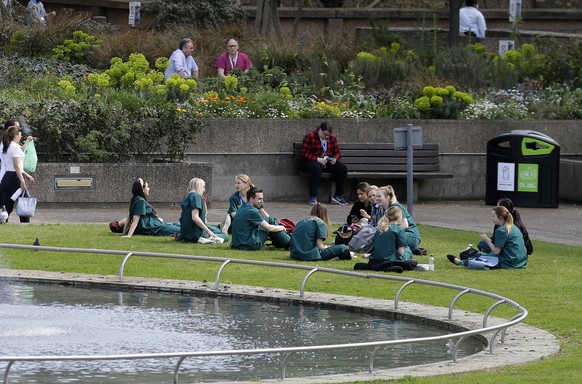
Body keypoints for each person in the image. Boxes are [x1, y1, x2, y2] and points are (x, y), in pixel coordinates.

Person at [447, 206, 528, 270]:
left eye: (493, 216)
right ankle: (466, 258)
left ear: (500, 217)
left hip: (510, 262)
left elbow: (496, 251)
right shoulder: (513, 227)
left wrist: (487, 239)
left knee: (481, 256)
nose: (492, 218)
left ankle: (461, 262)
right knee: (483, 245)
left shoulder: (501, 230)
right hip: (520, 261)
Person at [353, 206, 417, 273]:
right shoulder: (399, 230)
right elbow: (401, 252)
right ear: (399, 217)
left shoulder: (379, 229)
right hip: (390, 259)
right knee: (407, 251)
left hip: (376, 260)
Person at [299, 121, 348, 206]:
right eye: (325, 134)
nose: (326, 137)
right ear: (320, 130)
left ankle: (338, 195)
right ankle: (313, 196)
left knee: (342, 168)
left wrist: (334, 159)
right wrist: (317, 159)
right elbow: (304, 154)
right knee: (316, 168)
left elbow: (337, 153)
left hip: (326, 161)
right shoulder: (310, 137)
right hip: (311, 161)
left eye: (328, 135)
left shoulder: (332, 138)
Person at [177, 177, 228, 243]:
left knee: (217, 230)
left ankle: (208, 237)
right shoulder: (195, 196)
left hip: (186, 233)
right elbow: (195, 217)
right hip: (195, 233)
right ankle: (205, 239)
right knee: (225, 236)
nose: (204, 189)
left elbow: (204, 215)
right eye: (203, 187)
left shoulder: (186, 196)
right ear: (198, 186)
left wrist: (204, 203)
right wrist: (208, 232)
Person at [0, 126, 35, 222]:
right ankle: (25, 225)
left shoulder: (7, 145)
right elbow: (16, 166)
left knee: (7, 206)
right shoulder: (14, 147)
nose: (21, 136)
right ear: (15, 135)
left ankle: (3, 223)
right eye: (20, 134)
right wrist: (22, 180)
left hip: (6, 178)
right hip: (14, 178)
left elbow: (14, 166)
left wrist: (26, 175)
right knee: (25, 201)